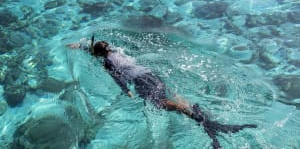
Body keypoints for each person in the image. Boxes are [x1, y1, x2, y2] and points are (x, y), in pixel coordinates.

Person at [68, 38, 257, 149]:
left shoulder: (107, 63)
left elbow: (118, 78)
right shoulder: (116, 50)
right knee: (172, 98)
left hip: (141, 81)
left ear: (99, 53)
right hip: (151, 74)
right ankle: (205, 119)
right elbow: (100, 50)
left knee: (159, 104)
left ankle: (202, 121)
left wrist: (126, 91)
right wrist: (82, 46)